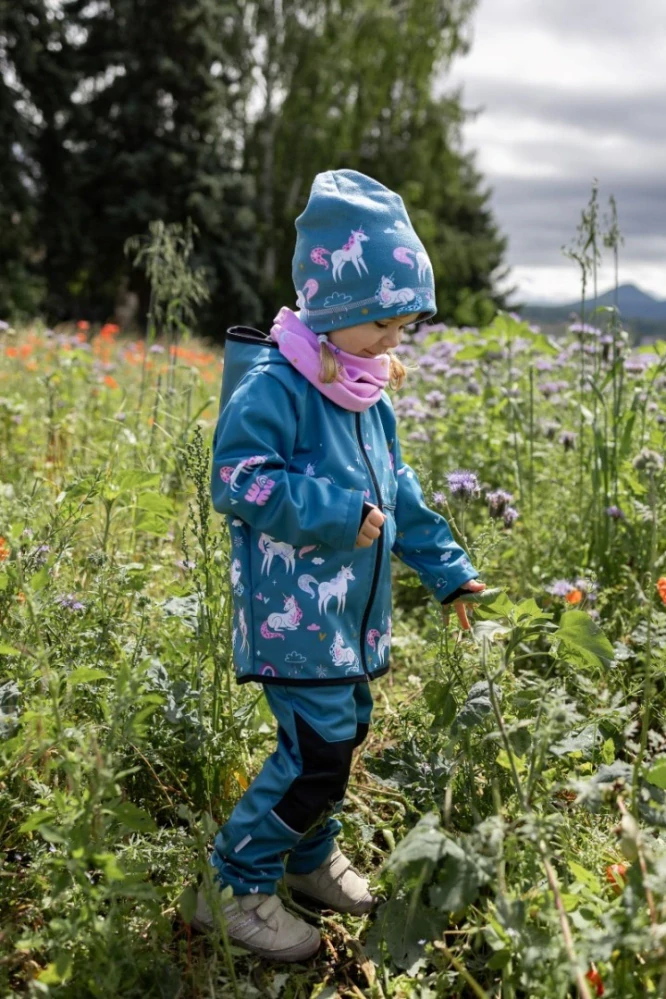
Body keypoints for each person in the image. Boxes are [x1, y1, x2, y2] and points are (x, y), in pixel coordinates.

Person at [193, 169, 486, 961]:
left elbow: (399, 491)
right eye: (384, 323)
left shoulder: (366, 391)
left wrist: (447, 566)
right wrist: (333, 514)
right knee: (314, 753)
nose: (396, 341)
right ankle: (234, 887)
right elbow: (236, 479)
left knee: (341, 736)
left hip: (345, 623)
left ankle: (305, 855)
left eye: (406, 325)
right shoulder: (277, 384)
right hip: (296, 619)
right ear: (336, 310)